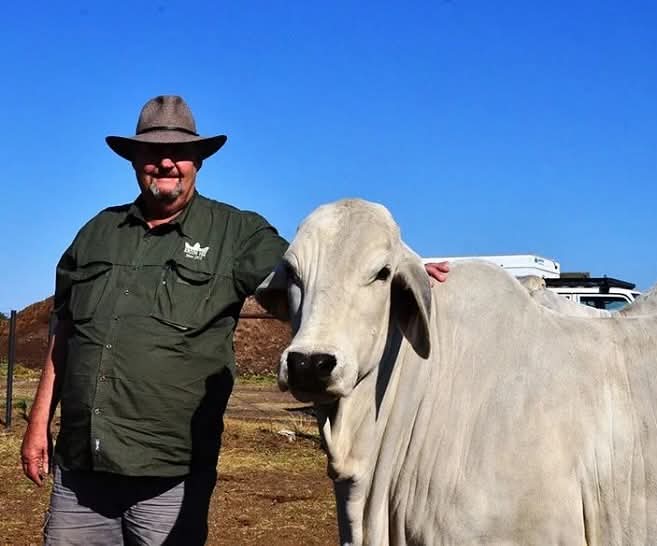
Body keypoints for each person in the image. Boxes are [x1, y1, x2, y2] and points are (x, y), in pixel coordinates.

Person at [19, 94, 450, 545]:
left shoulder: (236, 234)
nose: (166, 162)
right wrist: (37, 425)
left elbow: (321, 266)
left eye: (179, 153)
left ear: (198, 162)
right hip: (80, 474)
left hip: (169, 477)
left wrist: (401, 263)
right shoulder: (95, 234)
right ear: (134, 160)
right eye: (151, 151)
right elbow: (64, 331)